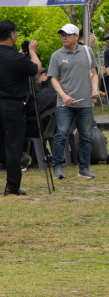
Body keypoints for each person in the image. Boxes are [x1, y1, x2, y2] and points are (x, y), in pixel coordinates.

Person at [0, 19, 41, 196]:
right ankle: (12, 186)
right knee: (13, 145)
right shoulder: (17, 59)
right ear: (12, 35)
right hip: (12, 104)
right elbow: (36, 69)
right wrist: (31, 51)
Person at [46, 23, 99, 180]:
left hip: (86, 101)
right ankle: (57, 166)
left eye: (67, 34)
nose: (64, 37)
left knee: (86, 135)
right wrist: (63, 95)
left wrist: (95, 89)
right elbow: (54, 79)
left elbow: (94, 73)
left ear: (76, 36)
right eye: (62, 34)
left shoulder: (88, 52)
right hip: (65, 103)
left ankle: (84, 168)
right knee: (61, 133)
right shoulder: (57, 55)